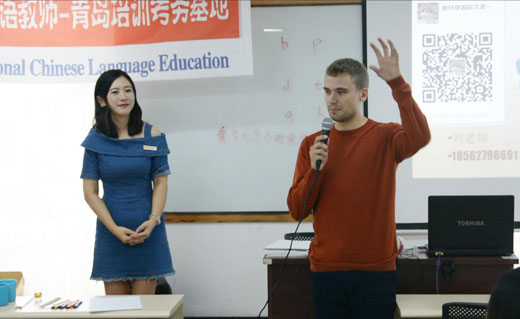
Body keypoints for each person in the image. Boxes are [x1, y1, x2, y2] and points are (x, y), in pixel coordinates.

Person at [287, 38, 431, 318]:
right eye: (327, 91)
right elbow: (297, 210)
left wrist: (398, 84)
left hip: (375, 270)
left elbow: (420, 137)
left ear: (363, 94)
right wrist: (315, 171)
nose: (332, 99)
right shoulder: (312, 144)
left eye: (341, 91)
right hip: (327, 271)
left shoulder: (386, 136)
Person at [81, 69, 175, 295]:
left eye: (128, 90)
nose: (124, 97)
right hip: (111, 234)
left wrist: (153, 221)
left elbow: (160, 183)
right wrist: (113, 229)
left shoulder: (153, 134)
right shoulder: (95, 140)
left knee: (144, 311)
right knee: (117, 311)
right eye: (115, 92)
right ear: (102, 100)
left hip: (148, 232)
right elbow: (90, 193)